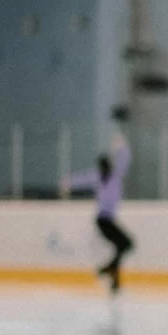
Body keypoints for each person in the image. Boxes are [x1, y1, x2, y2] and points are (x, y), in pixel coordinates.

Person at [67, 117, 133, 292]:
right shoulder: (104, 176)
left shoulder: (111, 176)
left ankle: (113, 277)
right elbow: (82, 179)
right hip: (103, 221)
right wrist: (68, 183)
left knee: (123, 246)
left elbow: (124, 160)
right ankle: (108, 270)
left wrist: (122, 144)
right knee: (126, 245)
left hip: (106, 220)